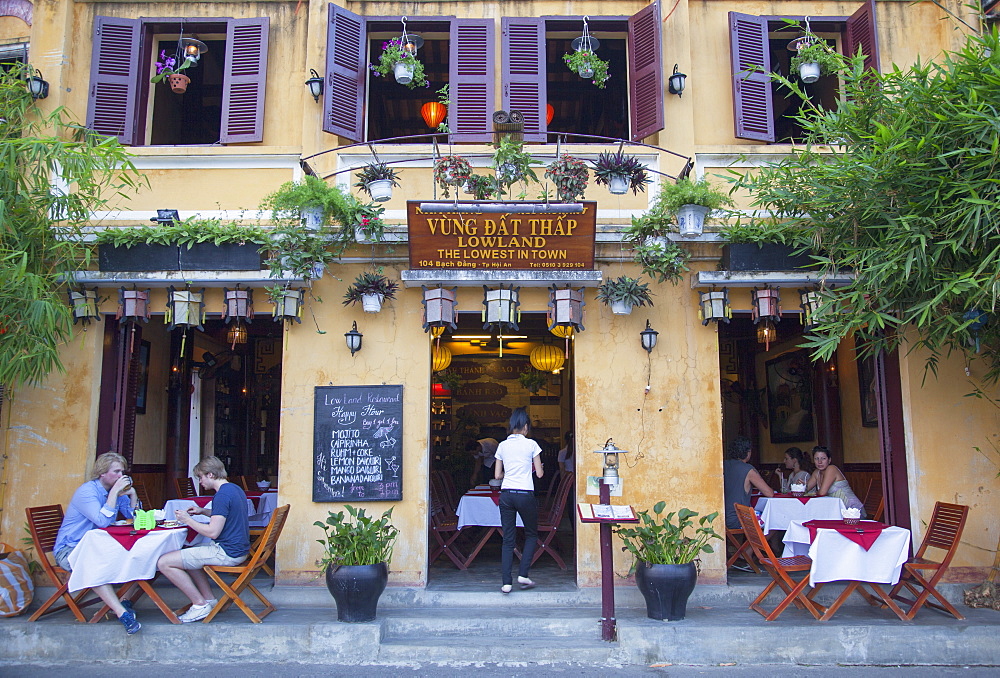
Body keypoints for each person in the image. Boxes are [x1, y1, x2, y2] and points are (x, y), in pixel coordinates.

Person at [52, 452, 142, 634]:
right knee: (91, 565)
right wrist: (116, 492)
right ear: (102, 472)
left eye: (122, 472)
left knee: (138, 555)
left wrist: (132, 496)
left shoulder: (114, 490)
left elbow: (135, 519)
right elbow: (102, 520)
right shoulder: (87, 492)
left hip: (99, 548)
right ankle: (122, 613)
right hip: (70, 549)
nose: (121, 476)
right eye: (116, 472)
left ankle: (124, 599)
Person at [156, 456, 250, 622]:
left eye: (201, 477)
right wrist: (202, 511)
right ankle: (209, 600)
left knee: (164, 562)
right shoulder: (234, 489)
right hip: (239, 549)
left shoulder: (221, 496)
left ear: (211, 475)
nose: (200, 481)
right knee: (189, 553)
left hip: (226, 552)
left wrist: (187, 520)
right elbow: (227, 515)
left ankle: (199, 604)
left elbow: (213, 532)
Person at [494, 407, 543, 594]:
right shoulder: (531, 445)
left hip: (506, 494)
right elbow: (539, 474)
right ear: (525, 427)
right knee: (531, 534)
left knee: (508, 539)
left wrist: (511, 472)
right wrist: (532, 469)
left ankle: (506, 583)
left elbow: (497, 475)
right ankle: (523, 574)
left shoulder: (502, 446)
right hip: (525, 494)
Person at [722, 436, 774, 531]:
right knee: (774, 521)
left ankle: (741, 546)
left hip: (721, 518)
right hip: (738, 519)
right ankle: (754, 547)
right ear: (748, 452)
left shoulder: (723, 465)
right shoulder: (748, 469)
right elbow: (769, 493)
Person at [808, 445, 865, 516]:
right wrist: (801, 485)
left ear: (829, 460)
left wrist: (813, 493)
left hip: (853, 512)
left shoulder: (832, 469)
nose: (819, 462)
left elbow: (822, 492)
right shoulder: (817, 473)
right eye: (816, 458)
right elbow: (805, 489)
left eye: (823, 458)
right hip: (838, 512)